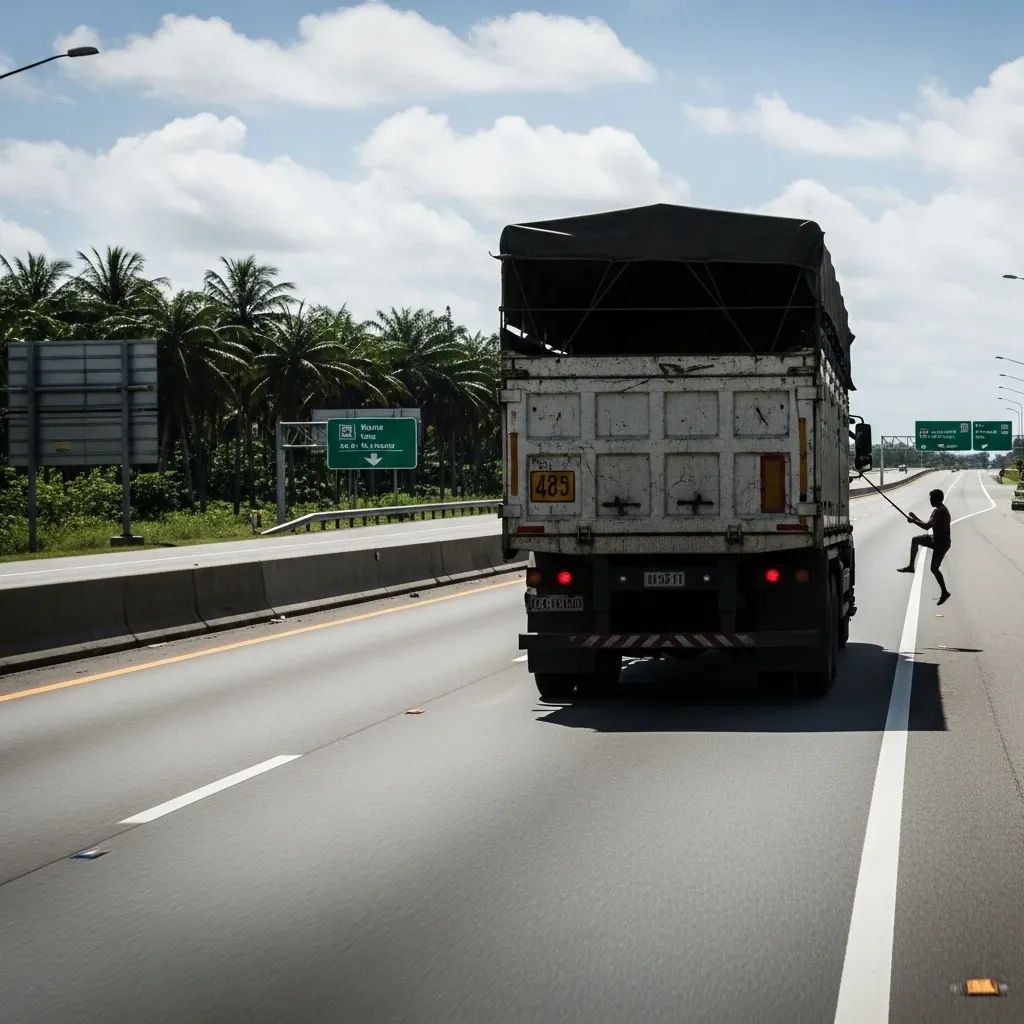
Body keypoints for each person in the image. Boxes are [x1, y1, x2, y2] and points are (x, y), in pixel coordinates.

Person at [897, 488, 951, 605]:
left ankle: (945, 592)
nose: (930, 500)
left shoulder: (939, 511)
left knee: (934, 568)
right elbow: (928, 524)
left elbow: (926, 527)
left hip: (941, 543)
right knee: (915, 540)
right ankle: (911, 566)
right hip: (937, 540)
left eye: (932, 498)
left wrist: (913, 520)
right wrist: (915, 518)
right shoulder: (939, 509)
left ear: (937, 499)